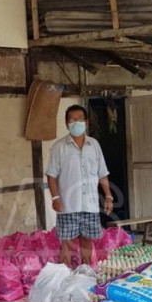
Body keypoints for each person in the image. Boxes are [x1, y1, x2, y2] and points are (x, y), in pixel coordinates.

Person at [46, 104, 113, 267]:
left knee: (87, 242)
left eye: (80, 119)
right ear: (66, 123)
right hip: (68, 205)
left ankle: (85, 273)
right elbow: (51, 175)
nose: (76, 123)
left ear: (86, 122)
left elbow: (102, 173)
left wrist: (108, 196)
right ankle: (66, 275)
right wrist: (55, 198)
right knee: (67, 244)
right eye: (72, 120)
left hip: (90, 205)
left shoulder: (94, 145)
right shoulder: (59, 147)